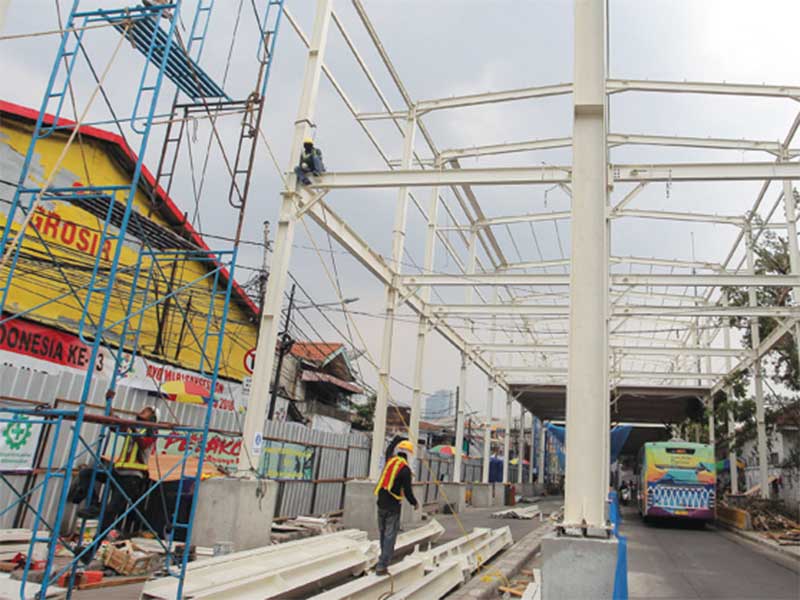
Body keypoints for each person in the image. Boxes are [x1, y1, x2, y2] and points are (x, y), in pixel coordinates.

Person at [69, 405, 157, 534]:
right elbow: (114, 424)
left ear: (153, 417)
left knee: (111, 511)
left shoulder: (152, 431)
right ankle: (94, 504)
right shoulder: (133, 428)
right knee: (87, 473)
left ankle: (96, 544)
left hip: (132, 477)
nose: (142, 410)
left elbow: (143, 444)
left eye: (147, 411)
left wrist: (132, 428)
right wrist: (109, 406)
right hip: (118, 471)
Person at [373, 436, 418, 575]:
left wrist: (396, 439)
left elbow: (388, 451)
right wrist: (414, 503)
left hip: (381, 503)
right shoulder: (405, 470)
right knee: (390, 536)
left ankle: (382, 559)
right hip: (393, 506)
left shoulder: (390, 462)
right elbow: (408, 491)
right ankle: (382, 565)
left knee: (382, 534)